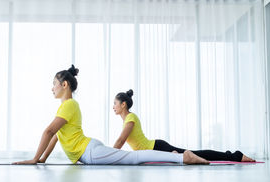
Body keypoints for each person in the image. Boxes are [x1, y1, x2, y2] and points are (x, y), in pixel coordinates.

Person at [13, 65, 209, 165]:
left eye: (54, 84)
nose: (51, 88)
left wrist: (33, 159)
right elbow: (56, 135)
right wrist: (42, 158)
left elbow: (48, 132)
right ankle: (178, 157)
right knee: (134, 158)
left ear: (64, 85)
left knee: (134, 158)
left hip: (90, 152)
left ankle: (183, 158)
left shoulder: (69, 105)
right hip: (90, 149)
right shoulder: (66, 107)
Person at [112, 89, 255, 162]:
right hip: (155, 149)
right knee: (195, 154)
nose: (113, 107)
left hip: (157, 147)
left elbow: (120, 141)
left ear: (123, 104)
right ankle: (233, 155)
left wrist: (108, 156)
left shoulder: (130, 117)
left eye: (115, 103)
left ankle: (235, 156)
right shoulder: (127, 119)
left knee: (197, 154)